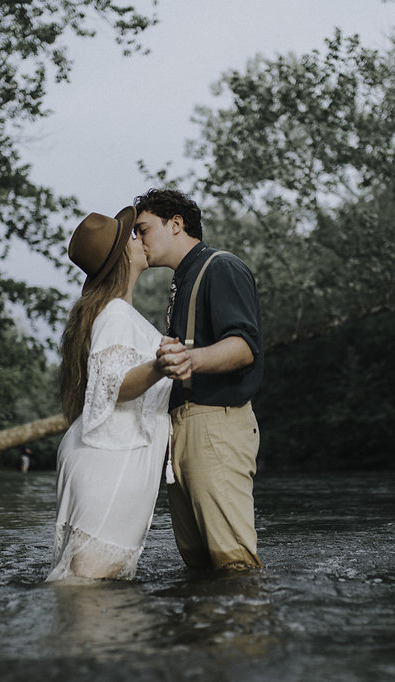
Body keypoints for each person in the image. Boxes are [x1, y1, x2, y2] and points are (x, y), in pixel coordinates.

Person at [132, 188, 265, 572]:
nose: (138, 241)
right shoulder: (183, 279)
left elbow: (244, 347)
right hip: (184, 429)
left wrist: (189, 358)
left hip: (216, 423)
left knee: (232, 561)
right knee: (199, 563)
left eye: (143, 229)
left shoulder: (221, 267)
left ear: (175, 224)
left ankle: (242, 631)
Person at [47, 206, 174, 581]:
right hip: (112, 459)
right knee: (87, 583)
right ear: (122, 256)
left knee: (83, 582)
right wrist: (161, 366)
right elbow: (113, 385)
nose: (139, 238)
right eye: (132, 236)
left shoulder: (115, 311)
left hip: (107, 455)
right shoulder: (116, 313)